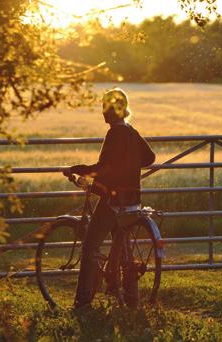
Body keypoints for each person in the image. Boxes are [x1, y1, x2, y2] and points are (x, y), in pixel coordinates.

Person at [63, 87, 155, 309]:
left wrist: (77, 168)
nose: (102, 113)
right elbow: (150, 158)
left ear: (114, 110)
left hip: (112, 201)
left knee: (90, 246)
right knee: (123, 249)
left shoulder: (114, 133)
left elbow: (103, 167)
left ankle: (82, 302)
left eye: (105, 107)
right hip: (131, 201)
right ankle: (132, 300)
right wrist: (130, 166)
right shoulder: (131, 131)